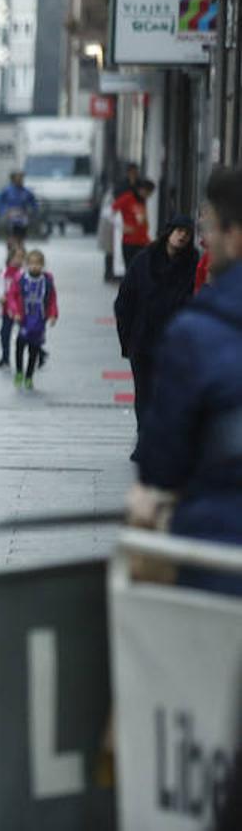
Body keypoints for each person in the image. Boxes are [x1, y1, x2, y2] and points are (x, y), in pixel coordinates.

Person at [127, 165, 242, 594]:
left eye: (211, 227)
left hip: (220, 562)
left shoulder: (199, 334)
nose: (205, 240)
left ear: (234, 235)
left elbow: (162, 463)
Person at [114, 215, 199, 453]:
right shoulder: (145, 260)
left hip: (176, 343)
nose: (182, 235)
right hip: (144, 341)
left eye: (187, 232)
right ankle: (144, 439)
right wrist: (127, 340)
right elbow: (124, 301)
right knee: (144, 393)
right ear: (168, 232)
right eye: (178, 230)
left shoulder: (193, 264)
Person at [4, 248, 58, 391]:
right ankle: (20, 372)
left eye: (38, 264)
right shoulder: (21, 279)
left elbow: (52, 299)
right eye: (32, 263)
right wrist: (15, 311)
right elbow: (12, 295)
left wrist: (53, 315)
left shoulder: (47, 281)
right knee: (20, 347)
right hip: (24, 319)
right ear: (26, 264)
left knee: (34, 350)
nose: (35, 266)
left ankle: (29, 376)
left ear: (43, 265)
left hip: (39, 321)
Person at [0, 242, 26, 369]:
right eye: (16, 257)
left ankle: (39, 353)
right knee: (4, 333)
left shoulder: (24, 273)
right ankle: (5, 358)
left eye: (21, 257)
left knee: (27, 333)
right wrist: (0, 296)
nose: (18, 260)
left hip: (21, 309)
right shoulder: (4, 272)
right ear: (10, 258)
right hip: (7, 309)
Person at [112, 178, 156, 271]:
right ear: (142, 189)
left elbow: (142, 221)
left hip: (143, 241)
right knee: (131, 271)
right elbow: (109, 211)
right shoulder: (127, 198)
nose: (148, 196)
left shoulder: (142, 201)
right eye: (148, 193)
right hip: (130, 242)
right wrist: (121, 226)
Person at [0, 171, 39, 242]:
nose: (20, 181)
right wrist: (3, 211)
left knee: (21, 237)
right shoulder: (7, 191)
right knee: (12, 236)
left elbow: (33, 203)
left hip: (22, 217)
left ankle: (20, 247)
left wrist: (33, 210)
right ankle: (12, 247)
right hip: (10, 217)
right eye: (18, 179)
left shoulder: (26, 192)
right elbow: (0, 201)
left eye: (21, 179)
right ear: (13, 180)